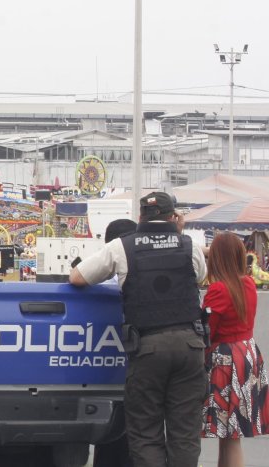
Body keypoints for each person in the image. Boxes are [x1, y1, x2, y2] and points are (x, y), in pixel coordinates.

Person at [70, 192, 207, 467]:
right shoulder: (188, 245)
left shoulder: (123, 247)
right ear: (174, 217)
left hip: (148, 349)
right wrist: (177, 234)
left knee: (146, 432)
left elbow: (77, 277)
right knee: (185, 434)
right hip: (190, 347)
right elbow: (201, 276)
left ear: (141, 217)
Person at [201, 232, 268, 467]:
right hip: (248, 355)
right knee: (231, 434)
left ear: (217, 258)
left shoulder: (218, 289)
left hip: (225, 360)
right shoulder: (248, 283)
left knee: (229, 435)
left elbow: (207, 332)